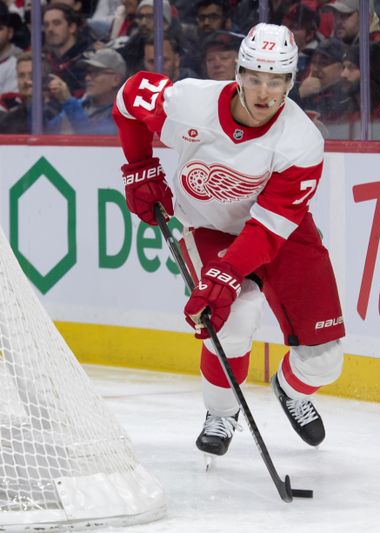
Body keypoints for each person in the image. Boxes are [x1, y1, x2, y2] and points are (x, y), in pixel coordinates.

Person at [112, 23, 345, 458]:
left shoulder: (301, 141)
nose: (263, 92)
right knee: (233, 323)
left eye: (276, 81)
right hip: (207, 224)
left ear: (291, 82)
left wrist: (229, 271)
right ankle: (221, 412)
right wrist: (139, 166)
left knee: (326, 360)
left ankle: (291, 391)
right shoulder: (187, 102)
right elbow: (128, 97)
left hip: (279, 232)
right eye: (254, 77)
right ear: (238, 73)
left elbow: (271, 226)